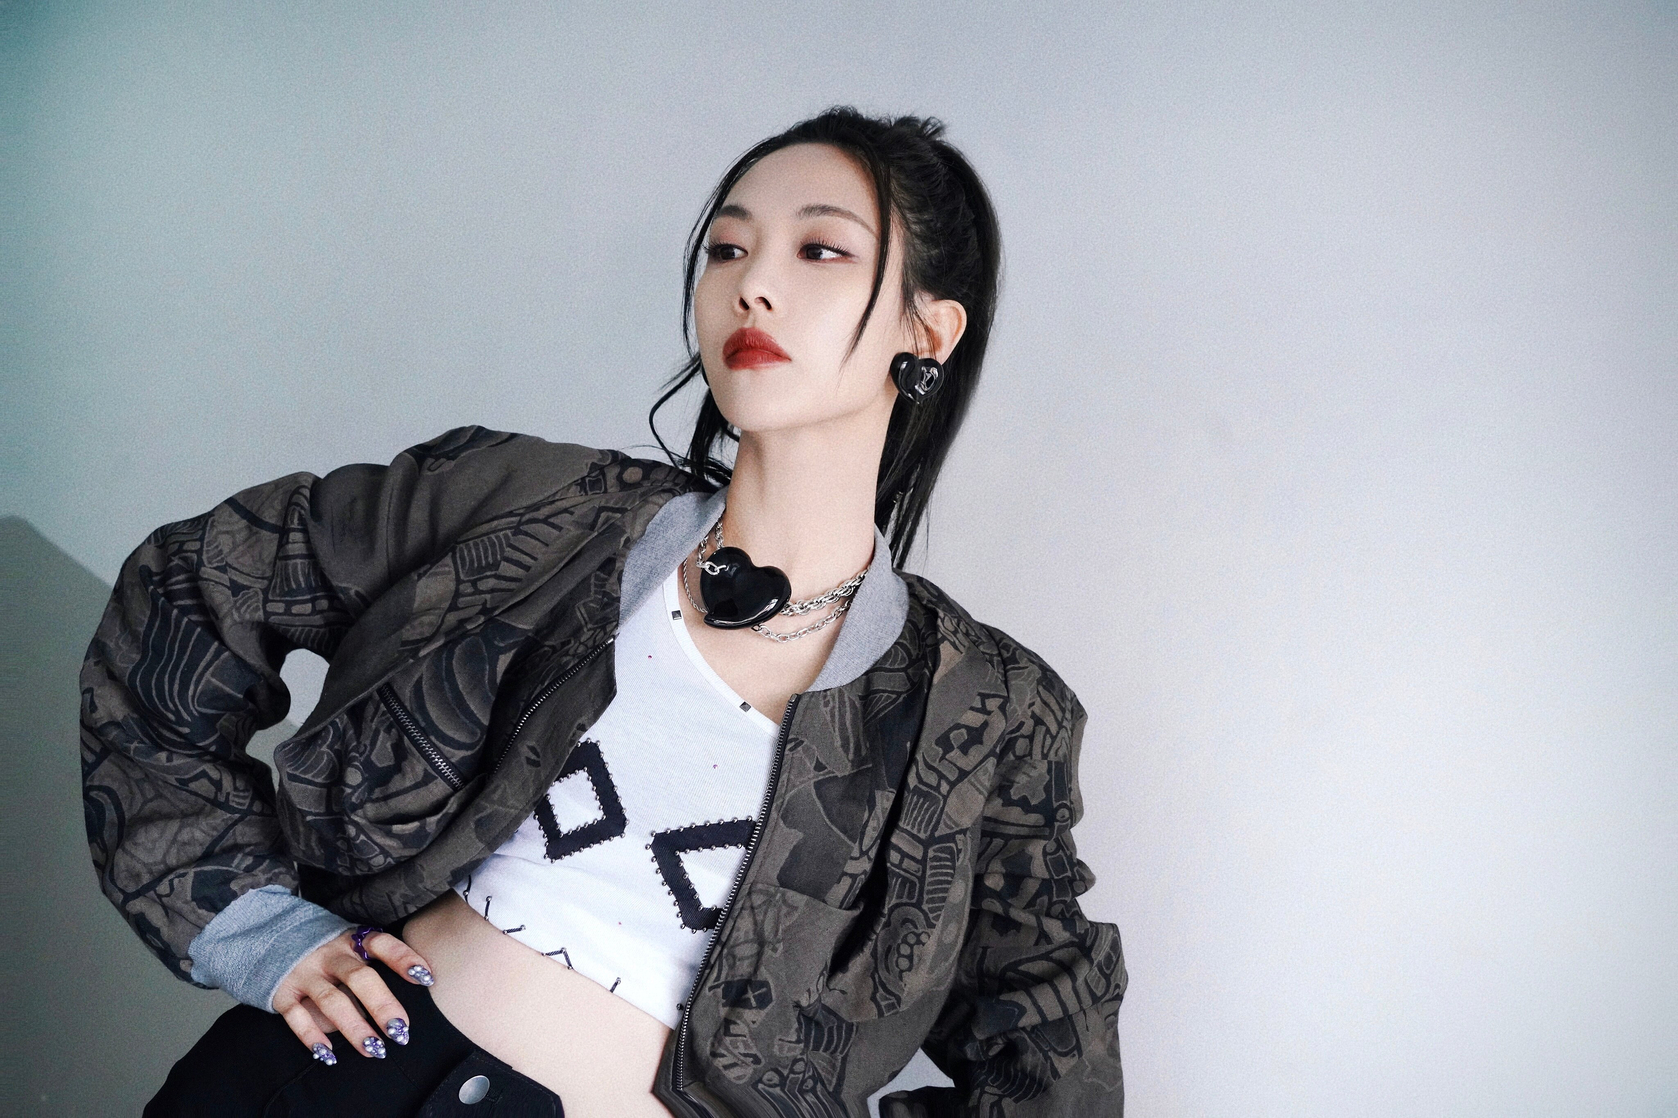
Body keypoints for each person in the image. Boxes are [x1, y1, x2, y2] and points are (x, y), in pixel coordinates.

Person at [81, 106, 1127, 1117]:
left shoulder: (985, 711)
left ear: (928, 330)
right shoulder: (528, 505)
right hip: (332, 1084)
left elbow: (1052, 1052)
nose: (752, 285)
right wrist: (257, 929)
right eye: (726, 249)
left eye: (820, 251)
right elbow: (193, 586)